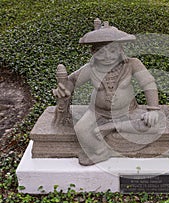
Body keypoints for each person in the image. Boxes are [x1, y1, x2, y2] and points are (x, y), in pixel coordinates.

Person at [53, 20, 160, 165]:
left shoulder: (132, 64)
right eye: (101, 52)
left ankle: (109, 128)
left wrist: (153, 109)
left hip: (127, 112)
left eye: (113, 51)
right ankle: (100, 152)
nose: (108, 56)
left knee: (153, 125)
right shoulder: (91, 68)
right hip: (97, 112)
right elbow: (72, 80)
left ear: (121, 50)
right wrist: (65, 89)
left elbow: (148, 83)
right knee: (81, 129)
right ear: (93, 52)